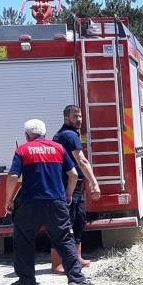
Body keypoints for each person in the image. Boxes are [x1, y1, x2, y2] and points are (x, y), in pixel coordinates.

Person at [5, 119, 94, 285]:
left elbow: (12, 177)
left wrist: (8, 201)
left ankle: (26, 280)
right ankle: (76, 279)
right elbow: (74, 174)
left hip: (29, 203)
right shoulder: (58, 148)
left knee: (24, 239)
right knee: (64, 239)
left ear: (27, 135)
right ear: (44, 133)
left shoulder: (23, 150)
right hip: (56, 202)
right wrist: (68, 194)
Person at [50, 104, 102, 274]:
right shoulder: (68, 135)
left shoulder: (70, 134)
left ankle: (77, 258)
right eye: (75, 116)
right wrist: (94, 182)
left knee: (78, 222)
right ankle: (57, 264)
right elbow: (82, 161)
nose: (79, 119)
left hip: (76, 186)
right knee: (65, 225)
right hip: (67, 186)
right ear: (66, 118)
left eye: (79, 116)